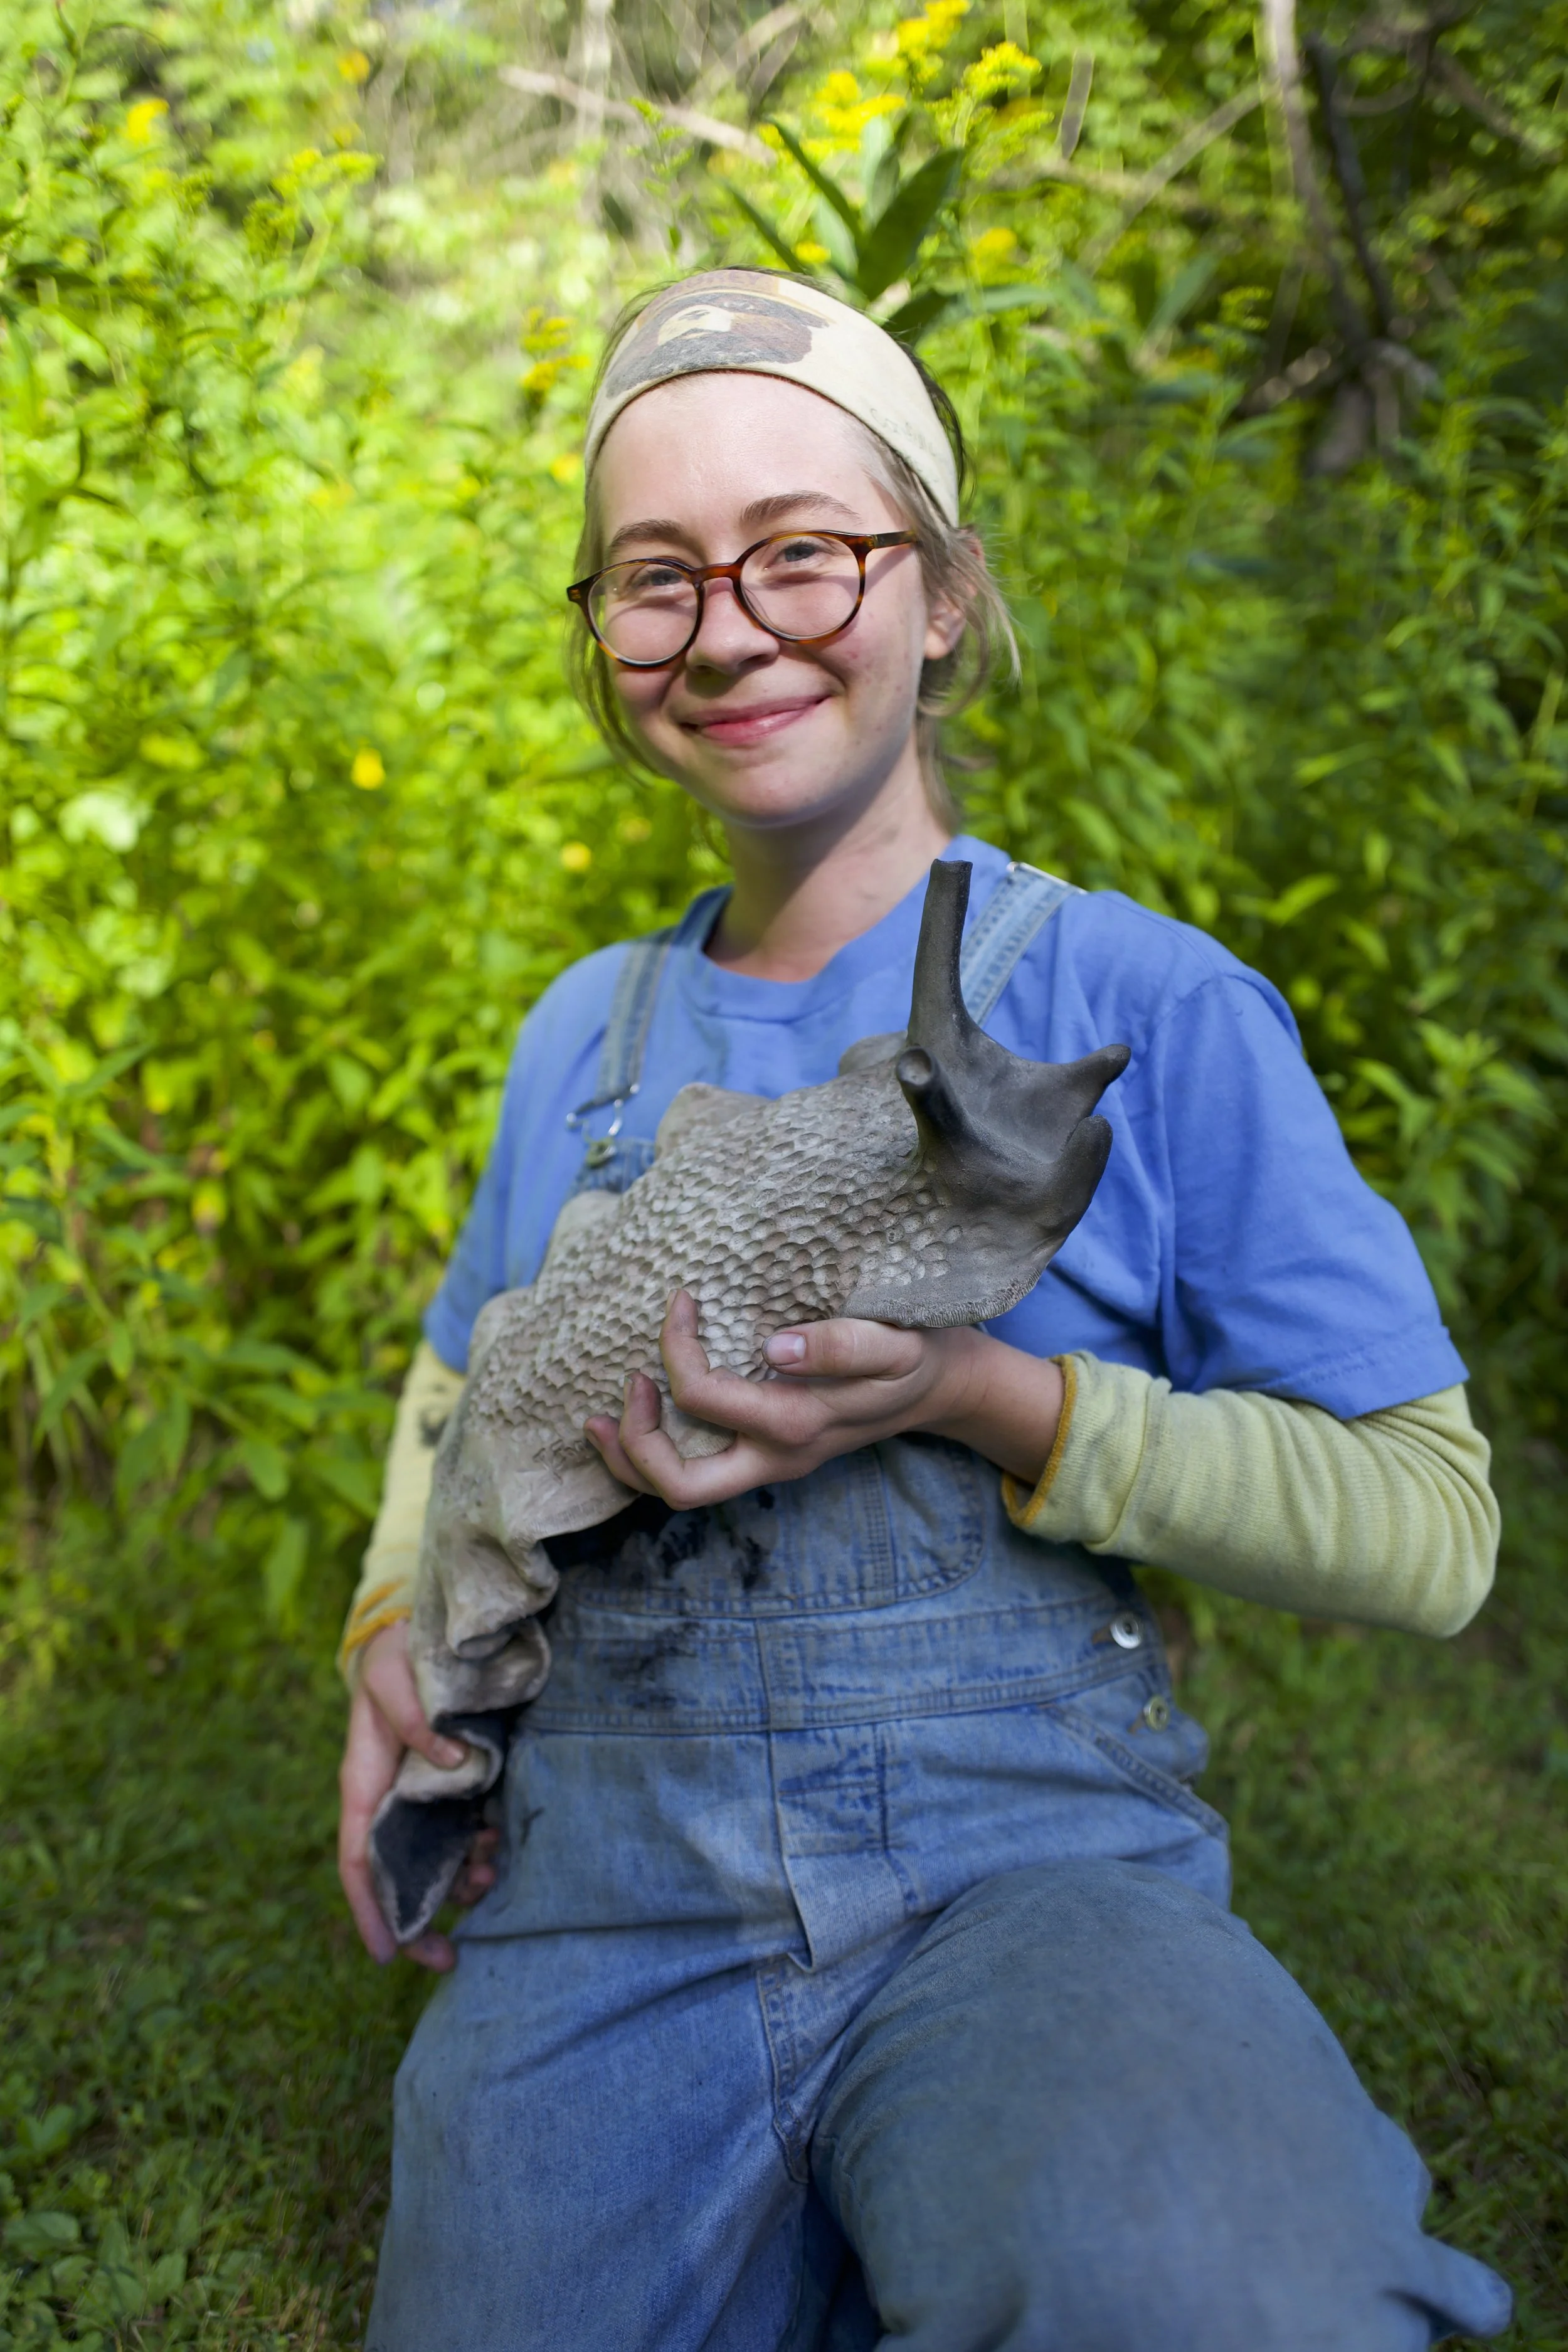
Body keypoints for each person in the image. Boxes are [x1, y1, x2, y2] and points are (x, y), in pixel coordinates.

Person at [335, 268, 1513, 2350]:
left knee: (1204, 2278)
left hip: (1023, 1876)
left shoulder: (1138, 1011)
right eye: (654, 578)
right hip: (612, 1903)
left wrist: (998, 1397)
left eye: (804, 550)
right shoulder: (581, 1042)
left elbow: (1430, 1525)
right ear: (605, 634)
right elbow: (466, 1383)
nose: (730, 628)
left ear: (944, 587)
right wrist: (384, 1640)